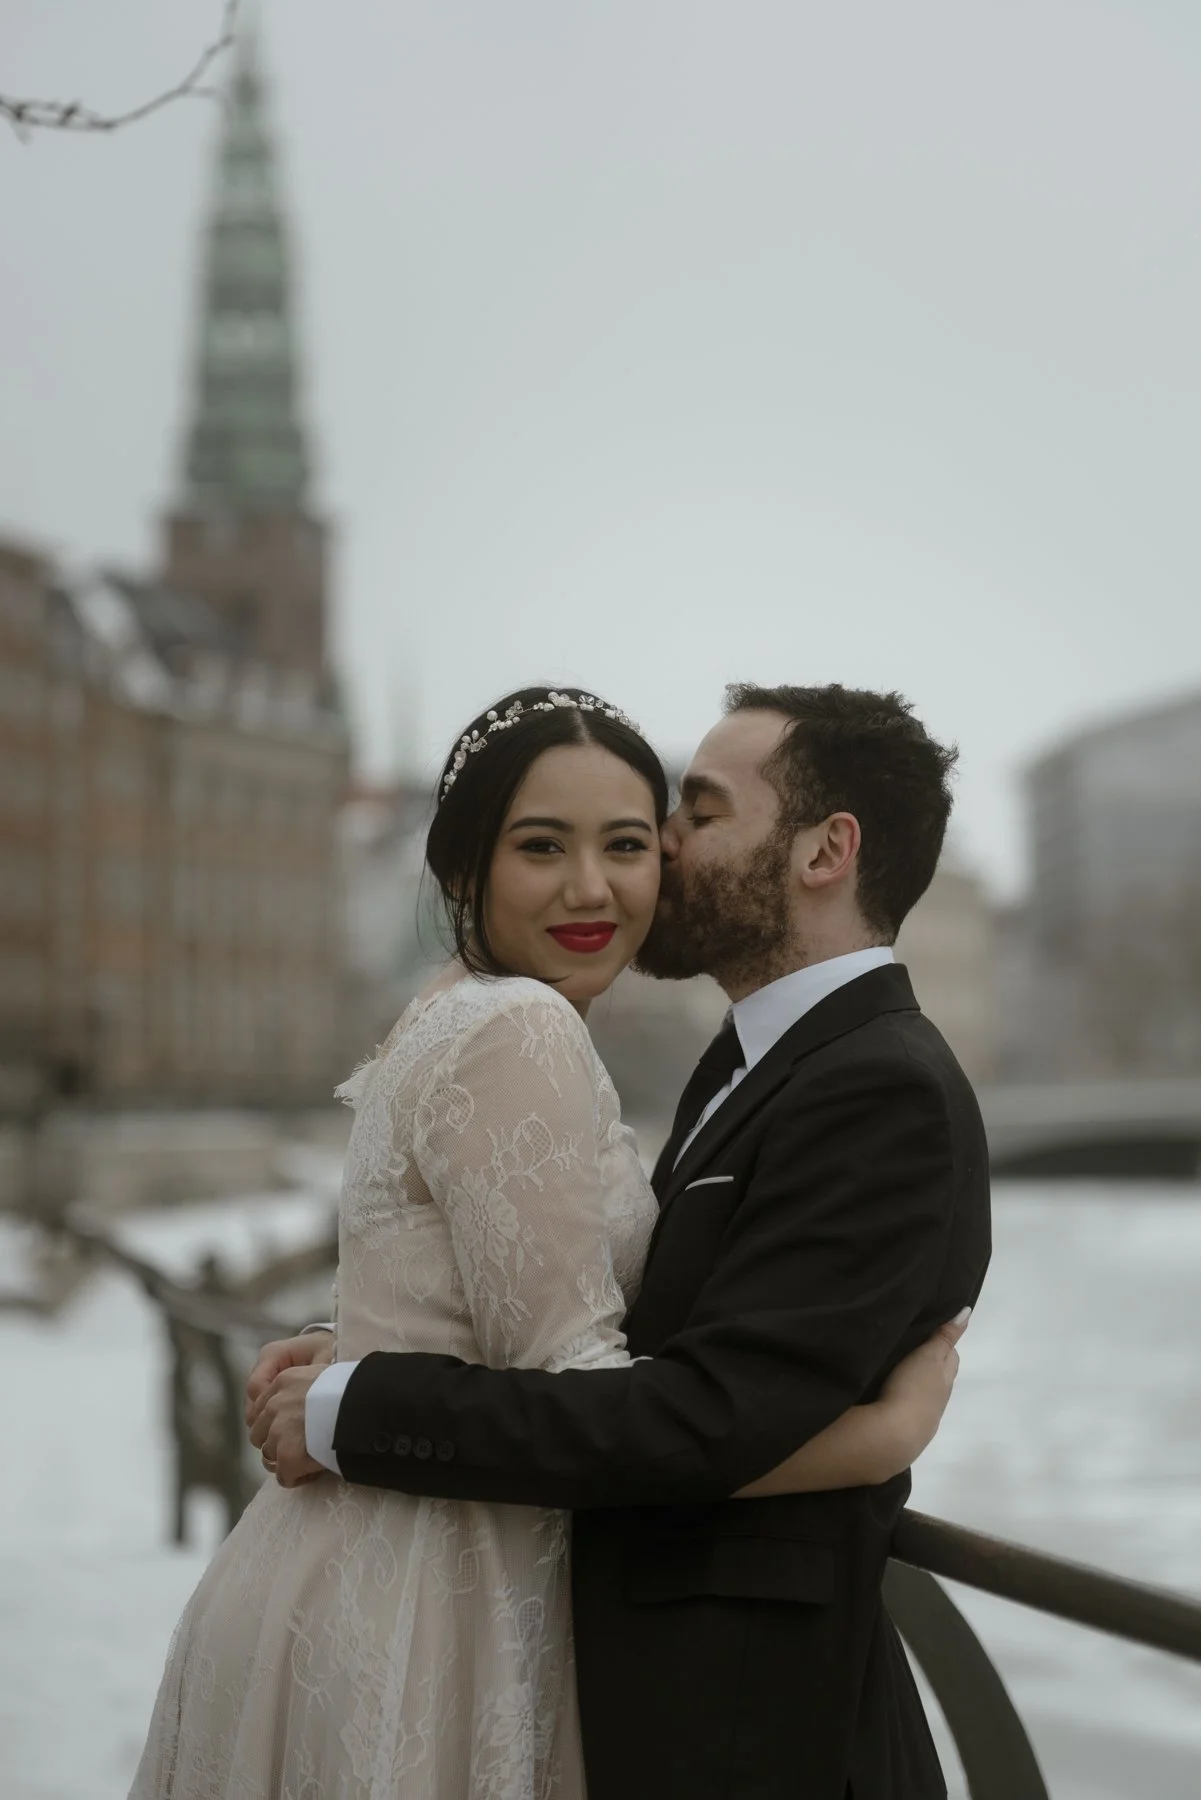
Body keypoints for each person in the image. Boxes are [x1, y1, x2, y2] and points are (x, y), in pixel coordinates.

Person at [132, 683, 973, 1800]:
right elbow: (602, 1377)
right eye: (546, 845)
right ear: (465, 869)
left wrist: (358, 1393)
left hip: (689, 1685)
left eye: (681, 822)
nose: (648, 862)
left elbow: (685, 1406)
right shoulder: (558, 1029)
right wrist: (883, 1432)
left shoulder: (865, 1083)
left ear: (827, 851)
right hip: (447, 1607)